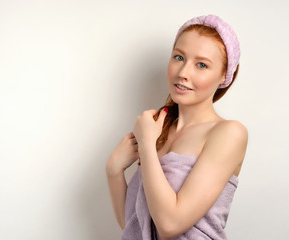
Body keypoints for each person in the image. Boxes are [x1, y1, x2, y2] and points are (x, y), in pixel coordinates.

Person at [106, 14, 248, 240]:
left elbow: (169, 224)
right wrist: (113, 170)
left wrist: (146, 146)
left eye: (201, 65)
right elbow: (136, 226)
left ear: (224, 76)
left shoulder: (229, 133)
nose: (183, 73)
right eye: (179, 57)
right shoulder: (157, 130)